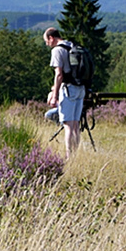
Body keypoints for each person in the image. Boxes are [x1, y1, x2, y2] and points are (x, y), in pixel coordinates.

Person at [44, 27, 85, 159]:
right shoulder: (71, 45)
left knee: (68, 125)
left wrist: (54, 95)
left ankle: (69, 157)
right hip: (80, 88)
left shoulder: (57, 50)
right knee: (76, 125)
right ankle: (76, 155)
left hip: (68, 89)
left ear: (51, 38)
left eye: (47, 41)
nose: (47, 44)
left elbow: (59, 75)